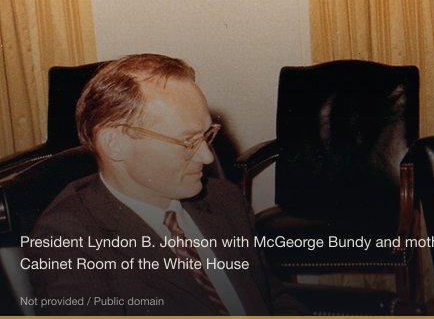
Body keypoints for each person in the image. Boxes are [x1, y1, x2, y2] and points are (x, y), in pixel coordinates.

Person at [26, 54, 306, 315]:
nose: (207, 156)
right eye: (187, 141)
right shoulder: (67, 240)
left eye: (206, 134)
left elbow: (271, 298)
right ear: (116, 144)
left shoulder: (224, 200)